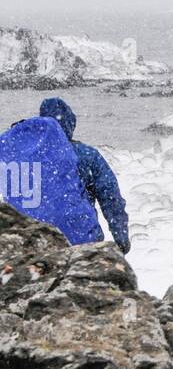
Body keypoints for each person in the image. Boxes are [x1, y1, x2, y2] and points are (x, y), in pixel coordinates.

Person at [39, 97, 130, 252]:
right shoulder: (87, 155)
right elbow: (110, 197)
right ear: (71, 124)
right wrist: (121, 238)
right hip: (83, 237)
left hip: (40, 239)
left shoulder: (31, 156)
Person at [0, 112, 102, 244]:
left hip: (24, 238)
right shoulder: (74, 150)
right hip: (75, 234)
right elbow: (107, 189)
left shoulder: (10, 155)